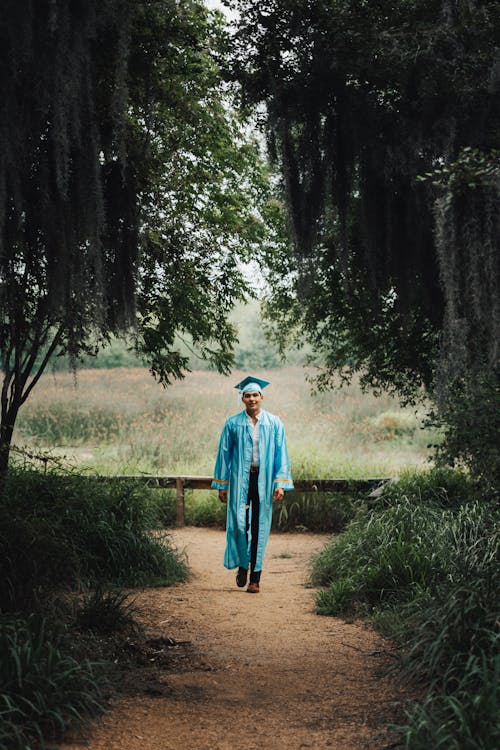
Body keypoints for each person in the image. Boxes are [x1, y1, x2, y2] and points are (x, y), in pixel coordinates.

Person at [211, 376, 294, 593]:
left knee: (259, 526)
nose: (251, 399)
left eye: (255, 395)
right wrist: (222, 485)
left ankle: (255, 577)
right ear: (242, 398)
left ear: (262, 397)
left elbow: (280, 455)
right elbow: (224, 455)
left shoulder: (274, 423)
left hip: (264, 480)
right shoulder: (232, 423)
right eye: (247, 395)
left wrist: (280, 483)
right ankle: (242, 565)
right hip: (240, 479)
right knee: (239, 524)